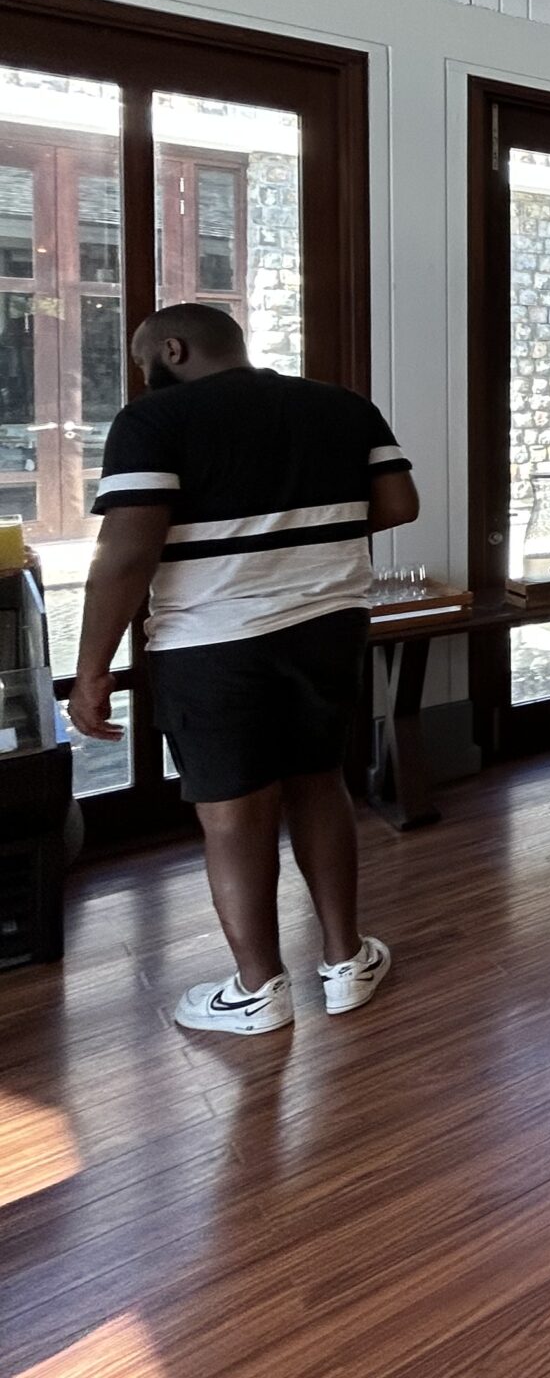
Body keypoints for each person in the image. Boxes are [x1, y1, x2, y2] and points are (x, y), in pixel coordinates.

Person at [68, 304, 419, 1036]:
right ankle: (346, 962)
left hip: (213, 641)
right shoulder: (342, 405)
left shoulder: (153, 419)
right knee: (319, 783)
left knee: (232, 812)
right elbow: (397, 503)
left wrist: (92, 668)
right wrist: (293, 530)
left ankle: (259, 992)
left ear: (172, 350)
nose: (144, 374)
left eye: (144, 360)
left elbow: (127, 551)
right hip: (329, 626)